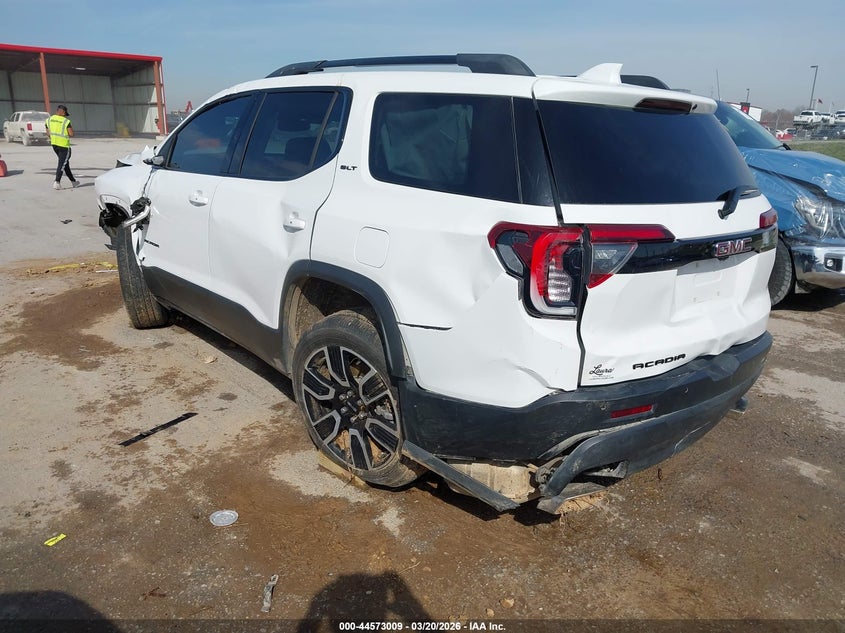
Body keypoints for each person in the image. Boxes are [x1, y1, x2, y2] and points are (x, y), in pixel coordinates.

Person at [46, 105, 79, 190]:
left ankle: (73, 181)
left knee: (65, 163)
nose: (65, 115)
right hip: (64, 146)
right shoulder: (66, 121)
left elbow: (48, 133)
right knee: (62, 164)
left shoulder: (49, 120)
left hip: (54, 145)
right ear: (63, 112)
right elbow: (71, 134)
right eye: (65, 114)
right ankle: (57, 182)